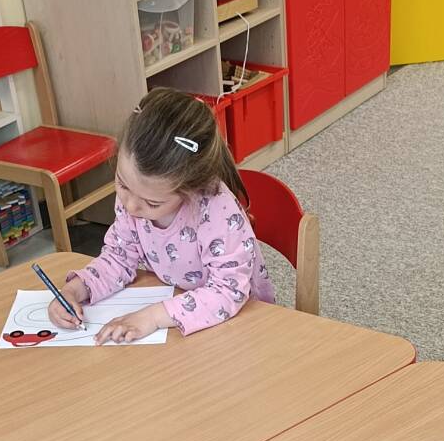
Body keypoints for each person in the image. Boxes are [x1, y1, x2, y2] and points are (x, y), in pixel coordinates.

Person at [48, 88, 275, 343]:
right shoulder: (137, 195)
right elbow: (118, 258)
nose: (131, 207)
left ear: (191, 189)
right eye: (122, 184)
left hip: (242, 322)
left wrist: (153, 317)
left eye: (152, 203)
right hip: (178, 313)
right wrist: (75, 290)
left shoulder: (215, 211)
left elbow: (228, 292)